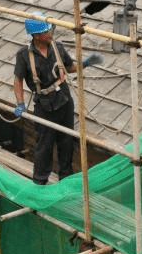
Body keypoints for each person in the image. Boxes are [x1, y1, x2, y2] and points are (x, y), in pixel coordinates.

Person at [12, 14, 103, 184]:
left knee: (66, 141)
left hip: (64, 100)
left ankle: (66, 177)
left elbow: (69, 68)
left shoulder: (58, 48)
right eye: (47, 31)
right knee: (44, 145)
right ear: (36, 36)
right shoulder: (24, 55)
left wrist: (85, 64)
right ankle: (40, 180)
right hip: (44, 105)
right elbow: (17, 80)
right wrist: (20, 103)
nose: (51, 33)